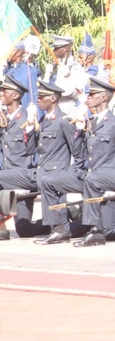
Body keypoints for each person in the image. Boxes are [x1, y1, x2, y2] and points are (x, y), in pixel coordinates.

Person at [71, 77, 115, 247]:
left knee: (107, 231)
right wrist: (78, 130)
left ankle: (95, 230)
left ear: (103, 98)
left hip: (109, 180)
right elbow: (80, 152)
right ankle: (70, 225)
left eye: (93, 94)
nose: (88, 97)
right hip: (92, 178)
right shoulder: (90, 123)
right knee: (109, 232)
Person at [33, 80, 88, 245]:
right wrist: (30, 126)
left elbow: (78, 152)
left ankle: (69, 228)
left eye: (42, 96)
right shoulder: (43, 120)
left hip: (57, 171)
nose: (38, 99)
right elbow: (34, 149)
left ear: (53, 99)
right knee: (31, 226)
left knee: (59, 213)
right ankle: (60, 228)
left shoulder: (64, 120)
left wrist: (72, 172)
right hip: (41, 171)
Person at [0, 76, 49, 239]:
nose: (0, 94)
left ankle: (68, 215)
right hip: (6, 179)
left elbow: (32, 149)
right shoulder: (4, 119)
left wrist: (29, 127)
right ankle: (1, 228)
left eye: (3, 91)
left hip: (22, 178)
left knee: (24, 230)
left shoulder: (27, 119)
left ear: (15, 96)